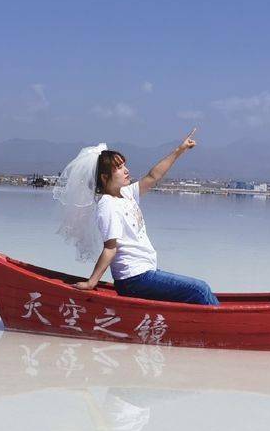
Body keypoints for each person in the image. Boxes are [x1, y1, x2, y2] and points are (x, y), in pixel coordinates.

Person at [65, 130, 218, 305]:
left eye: (124, 165)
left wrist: (180, 150)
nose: (126, 170)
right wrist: (92, 282)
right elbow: (110, 248)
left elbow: (154, 176)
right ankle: (223, 327)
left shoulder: (126, 193)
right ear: (105, 177)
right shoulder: (107, 205)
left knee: (197, 292)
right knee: (200, 289)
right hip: (134, 278)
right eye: (120, 168)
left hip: (145, 273)